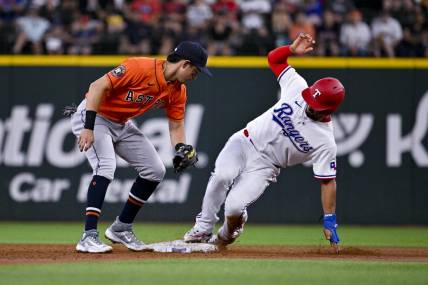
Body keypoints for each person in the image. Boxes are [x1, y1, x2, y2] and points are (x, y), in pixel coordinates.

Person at [183, 33, 343, 252]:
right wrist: (290, 50)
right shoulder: (298, 87)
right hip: (245, 141)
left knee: (234, 207)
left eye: (316, 104)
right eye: (310, 98)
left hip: (266, 165)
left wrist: (329, 219)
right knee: (221, 176)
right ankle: (203, 226)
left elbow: (328, 181)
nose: (310, 104)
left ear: (329, 110)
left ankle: (228, 233)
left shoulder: (325, 141)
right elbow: (274, 60)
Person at [69, 41, 211, 253]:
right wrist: (88, 128)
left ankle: (121, 227)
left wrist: (181, 147)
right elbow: (96, 87)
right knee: (105, 167)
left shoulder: (178, 91)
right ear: (184, 64)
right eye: (195, 70)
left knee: (155, 170)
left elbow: (176, 125)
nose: (195, 75)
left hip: (121, 123)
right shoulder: (139, 67)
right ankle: (88, 236)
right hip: (94, 116)